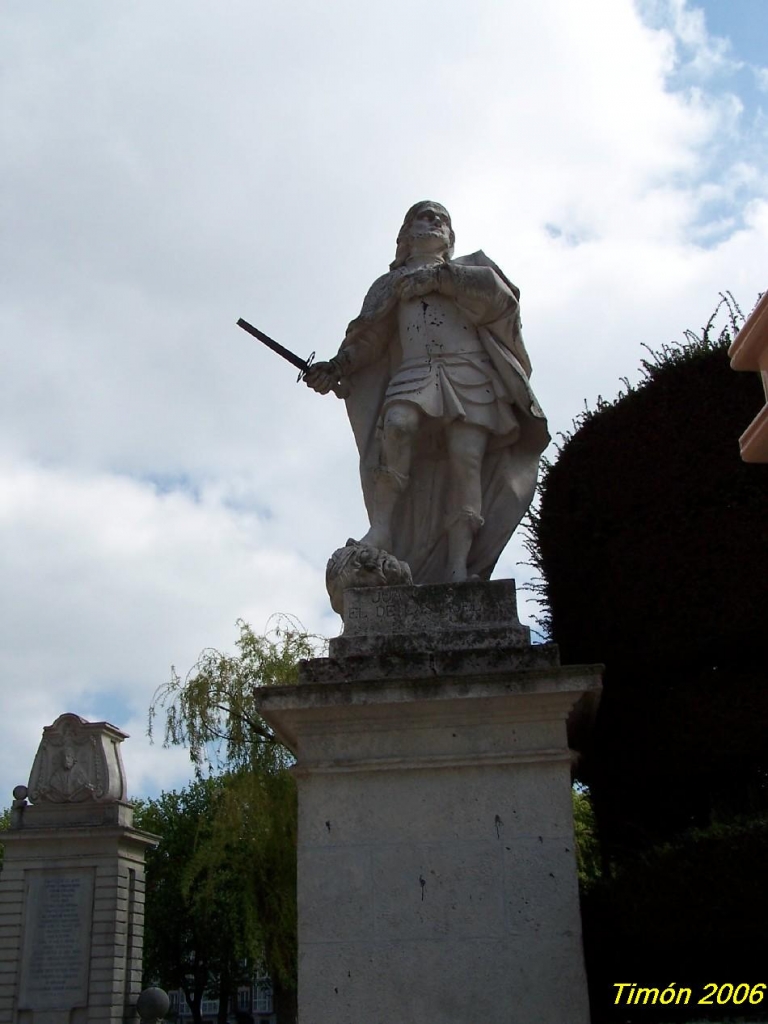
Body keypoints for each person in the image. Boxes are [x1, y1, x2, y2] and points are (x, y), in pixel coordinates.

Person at [305, 201, 549, 584]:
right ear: (405, 235)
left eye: (442, 219)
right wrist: (337, 367)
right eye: (424, 216)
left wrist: (440, 280)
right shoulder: (389, 285)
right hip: (416, 371)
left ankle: (458, 565)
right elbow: (371, 338)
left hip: (469, 373)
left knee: (466, 460)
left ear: (450, 237)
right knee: (397, 425)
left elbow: (501, 303)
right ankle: (382, 529)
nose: (434, 221)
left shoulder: (470, 271)